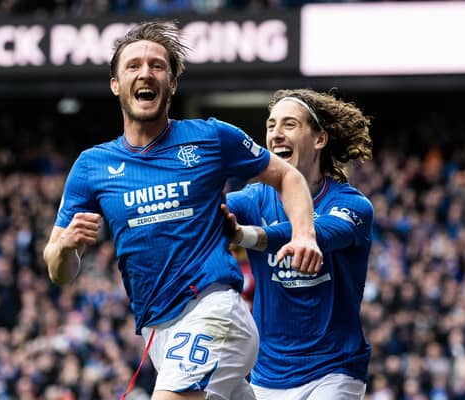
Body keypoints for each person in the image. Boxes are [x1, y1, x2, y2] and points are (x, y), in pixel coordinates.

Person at [43, 21, 322, 400]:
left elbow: (288, 177)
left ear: (172, 83)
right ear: (115, 84)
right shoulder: (91, 166)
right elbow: (60, 271)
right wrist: (65, 247)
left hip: (213, 309)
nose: (146, 73)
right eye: (133, 66)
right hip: (158, 330)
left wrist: (304, 234)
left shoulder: (210, 137)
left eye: (158, 66)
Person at [224, 88, 374, 399]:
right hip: (267, 374)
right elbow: (202, 213)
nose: (276, 134)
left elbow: (318, 232)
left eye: (289, 125)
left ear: (319, 139)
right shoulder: (254, 198)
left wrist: (244, 235)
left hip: (334, 371)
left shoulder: (353, 205)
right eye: (270, 125)